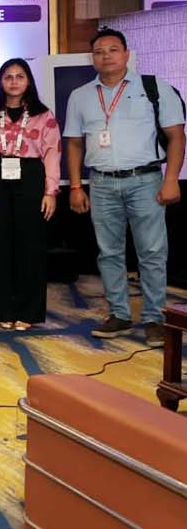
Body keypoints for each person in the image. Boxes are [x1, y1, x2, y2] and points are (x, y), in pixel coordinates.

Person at [66, 29, 184, 347]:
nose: (106, 56)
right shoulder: (80, 96)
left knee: (152, 252)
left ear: (127, 54)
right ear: (92, 58)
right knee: (109, 253)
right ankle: (119, 314)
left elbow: (176, 136)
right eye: (99, 51)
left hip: (145, 180)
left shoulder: (154, 88)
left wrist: (172, 178)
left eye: (113, 49)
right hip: (101, 183)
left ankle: (154, 318)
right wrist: (76, 185)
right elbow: (74, 143)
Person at [0, 59, 60, 330]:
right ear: (0, 81)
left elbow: (52, 153)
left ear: (29, 81)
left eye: (19, 76)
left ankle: (29, 311)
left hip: (31, 177)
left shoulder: (43, 115)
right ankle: (4, 309)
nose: (13, 82)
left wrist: (50, 192)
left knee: (30, 245)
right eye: (8, 76)